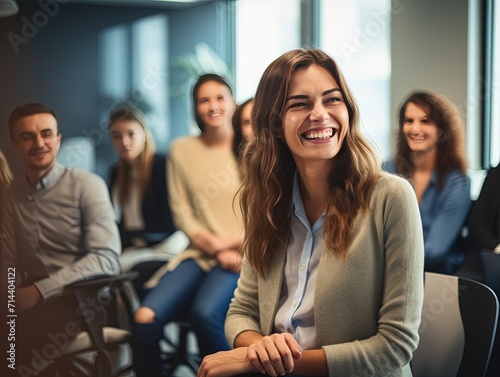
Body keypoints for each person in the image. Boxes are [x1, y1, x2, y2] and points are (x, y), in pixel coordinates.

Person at [197, 48, 424, 377]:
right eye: (299, 104)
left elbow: (394, 346)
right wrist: (261, 347)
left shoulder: (391, 197)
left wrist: (255, 360)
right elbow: (240, 312)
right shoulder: (267, 200)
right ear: (275, 123)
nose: (320, 114)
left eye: (332, 100)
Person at [132, 73, 244, 376]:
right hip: (197, 255)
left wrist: (228, 246)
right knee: (144, 318)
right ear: (195, 107)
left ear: (232, 102)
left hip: (242, 257)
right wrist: (214, 246)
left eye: (220, 97)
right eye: (203, 100)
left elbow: (265, 213)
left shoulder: (252, 147)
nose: (213, 106)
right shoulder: (181, 150)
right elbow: (182, 212)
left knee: (204, 314)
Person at [1, 102, 121, 376]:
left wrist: (39, 291)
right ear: (14, 145)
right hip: (27, 296)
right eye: (27, 136)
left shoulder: (87, 185)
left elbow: (107, 258)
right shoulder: (13, 192)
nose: (39, 143)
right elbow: (8, 259)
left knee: (20, 344)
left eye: (46, 134)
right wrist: (7, 297)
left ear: (58, 139)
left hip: (82, 300)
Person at [385, 91, 471, 273]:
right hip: (387, 271)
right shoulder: (387, 169)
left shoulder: (456, 181)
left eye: (425, 121)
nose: (415, 129)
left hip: (433, 276)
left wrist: (385, 252)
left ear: (442, 130)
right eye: (409, 121)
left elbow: (435, 248)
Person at [108, 106, 188, 298]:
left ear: (144, 134)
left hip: (167, 245)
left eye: (131, 134)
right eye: (116, 136)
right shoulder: (116, 172)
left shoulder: (162, 166)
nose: (124, 142)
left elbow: (170, 222)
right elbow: (116, 220)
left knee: (118, 269)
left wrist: (133, 236)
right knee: (103, 267)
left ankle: (139, 322)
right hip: (137, 247)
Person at [456, 163, 500, 281]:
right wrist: (496, 247)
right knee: (464, 285)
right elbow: (476, 226)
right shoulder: (496, 174)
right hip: (489, 256)